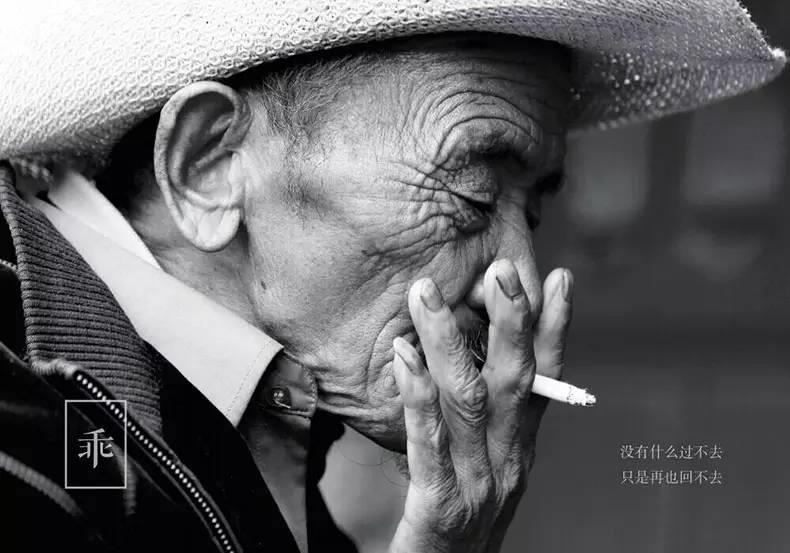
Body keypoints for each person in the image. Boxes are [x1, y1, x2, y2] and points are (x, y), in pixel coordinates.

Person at [0, 2, 783, 553]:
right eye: (471, 194)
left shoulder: (252, 422)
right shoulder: (26, 437)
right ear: (208, 167)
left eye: (533, 211)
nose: (519, 276)